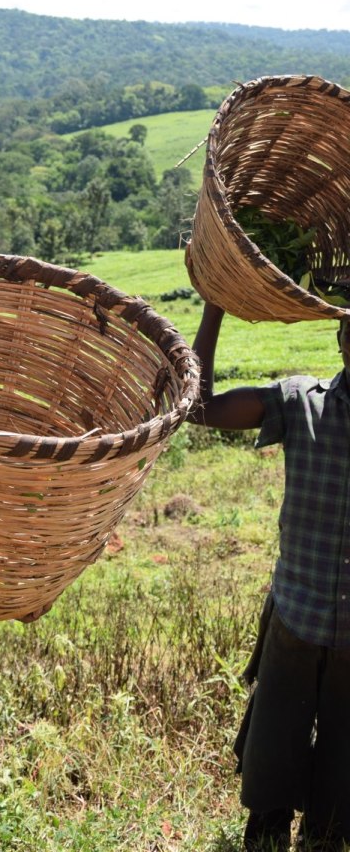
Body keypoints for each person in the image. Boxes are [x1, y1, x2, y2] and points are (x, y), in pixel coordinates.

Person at [187, 300, 350, 852]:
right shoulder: (302, 403)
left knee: (338, 808)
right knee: (271, 771)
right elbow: (198, 406)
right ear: (341, 341)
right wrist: (214, 308)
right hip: (295, 620)